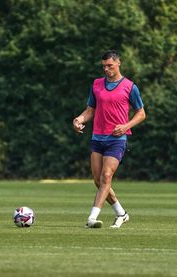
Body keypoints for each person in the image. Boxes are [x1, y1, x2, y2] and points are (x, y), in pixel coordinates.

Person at [73, 50, 146, 228]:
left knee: (106, 176)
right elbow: (90, 110)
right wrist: (78, 120)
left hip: (117, 139)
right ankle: (121, 213)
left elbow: (141, 113)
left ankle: (92, 217)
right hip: (97, 138)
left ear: (118, 63)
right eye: (104, 66)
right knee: (98, 180)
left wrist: (126, 126)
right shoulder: (97, 84)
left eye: (109, 65)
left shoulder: (130, 86)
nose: (106, 69)